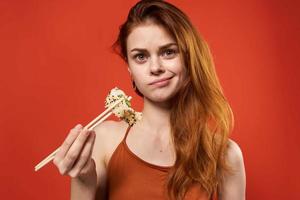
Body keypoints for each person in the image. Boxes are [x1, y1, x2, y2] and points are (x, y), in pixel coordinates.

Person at [53, 0, 246, 199]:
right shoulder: (103, 140)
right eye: (141, 57)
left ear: (189, 59)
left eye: (168, 52)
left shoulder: (226, 155)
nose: (155, 67)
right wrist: (83, 181)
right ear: (130, 69)